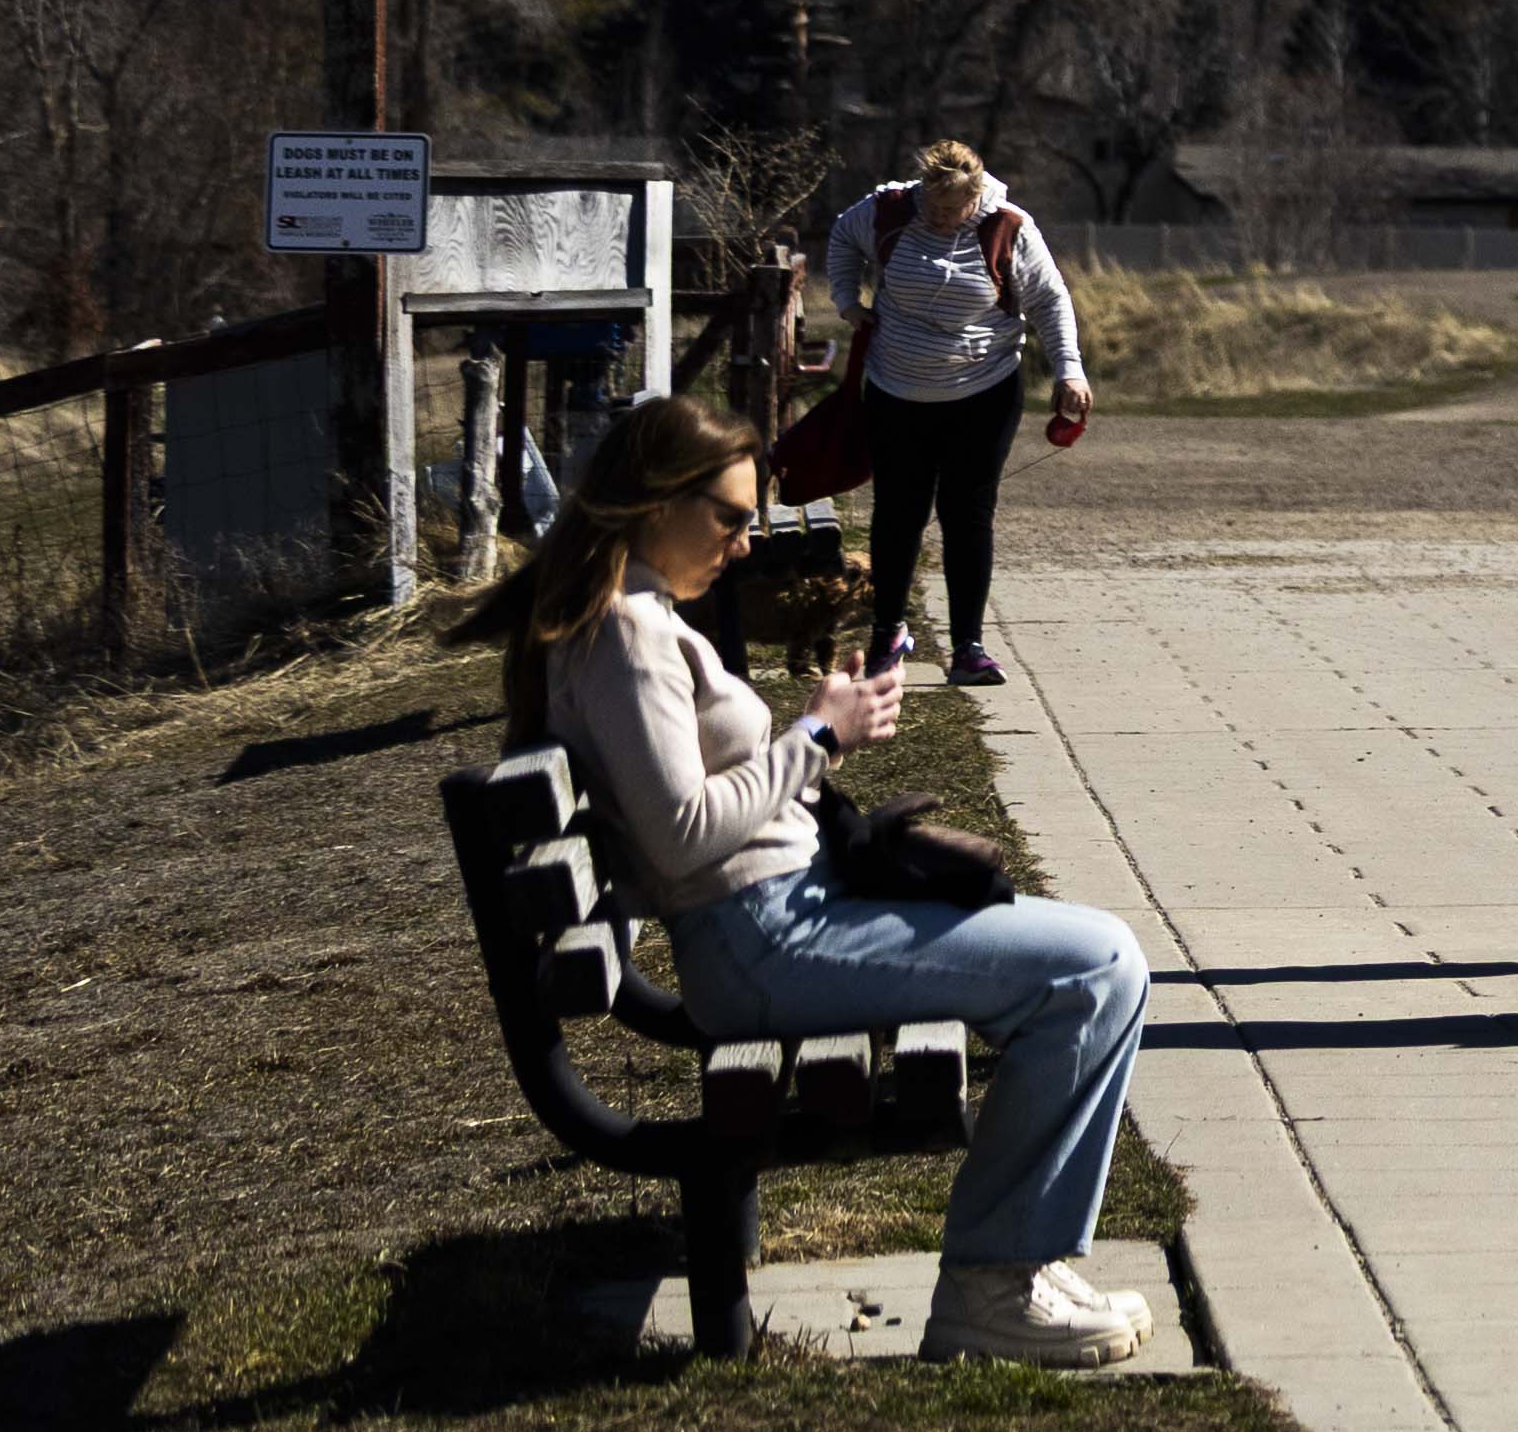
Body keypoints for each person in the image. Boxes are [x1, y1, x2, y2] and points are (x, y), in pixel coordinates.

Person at [449, 392, 1157, 1367]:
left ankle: (1015, 1263)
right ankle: (994, 1283)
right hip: (762, 939)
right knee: (1095, 969)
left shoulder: (639, 616)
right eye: (732, 518)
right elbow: (683, 830)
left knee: (1102, 959)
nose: (745, 544)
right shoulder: (624, 632)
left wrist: (826, 723)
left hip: (789, 917)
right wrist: (819, 735)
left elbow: (695, 803)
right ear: (657, 502)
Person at [821, 142, 1090, 684]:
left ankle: (968, 646)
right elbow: (842, 241)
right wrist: (847, 301)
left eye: (953, 211)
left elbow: (1049, 300)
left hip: (984, 391)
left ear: (977, 198)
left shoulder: (1008, 227)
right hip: (897, 389)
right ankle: (887, 636)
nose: (940, 219)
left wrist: (1070, 370)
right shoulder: (889, 211)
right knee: (899, 514)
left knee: (968, 515)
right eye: (933, 208)